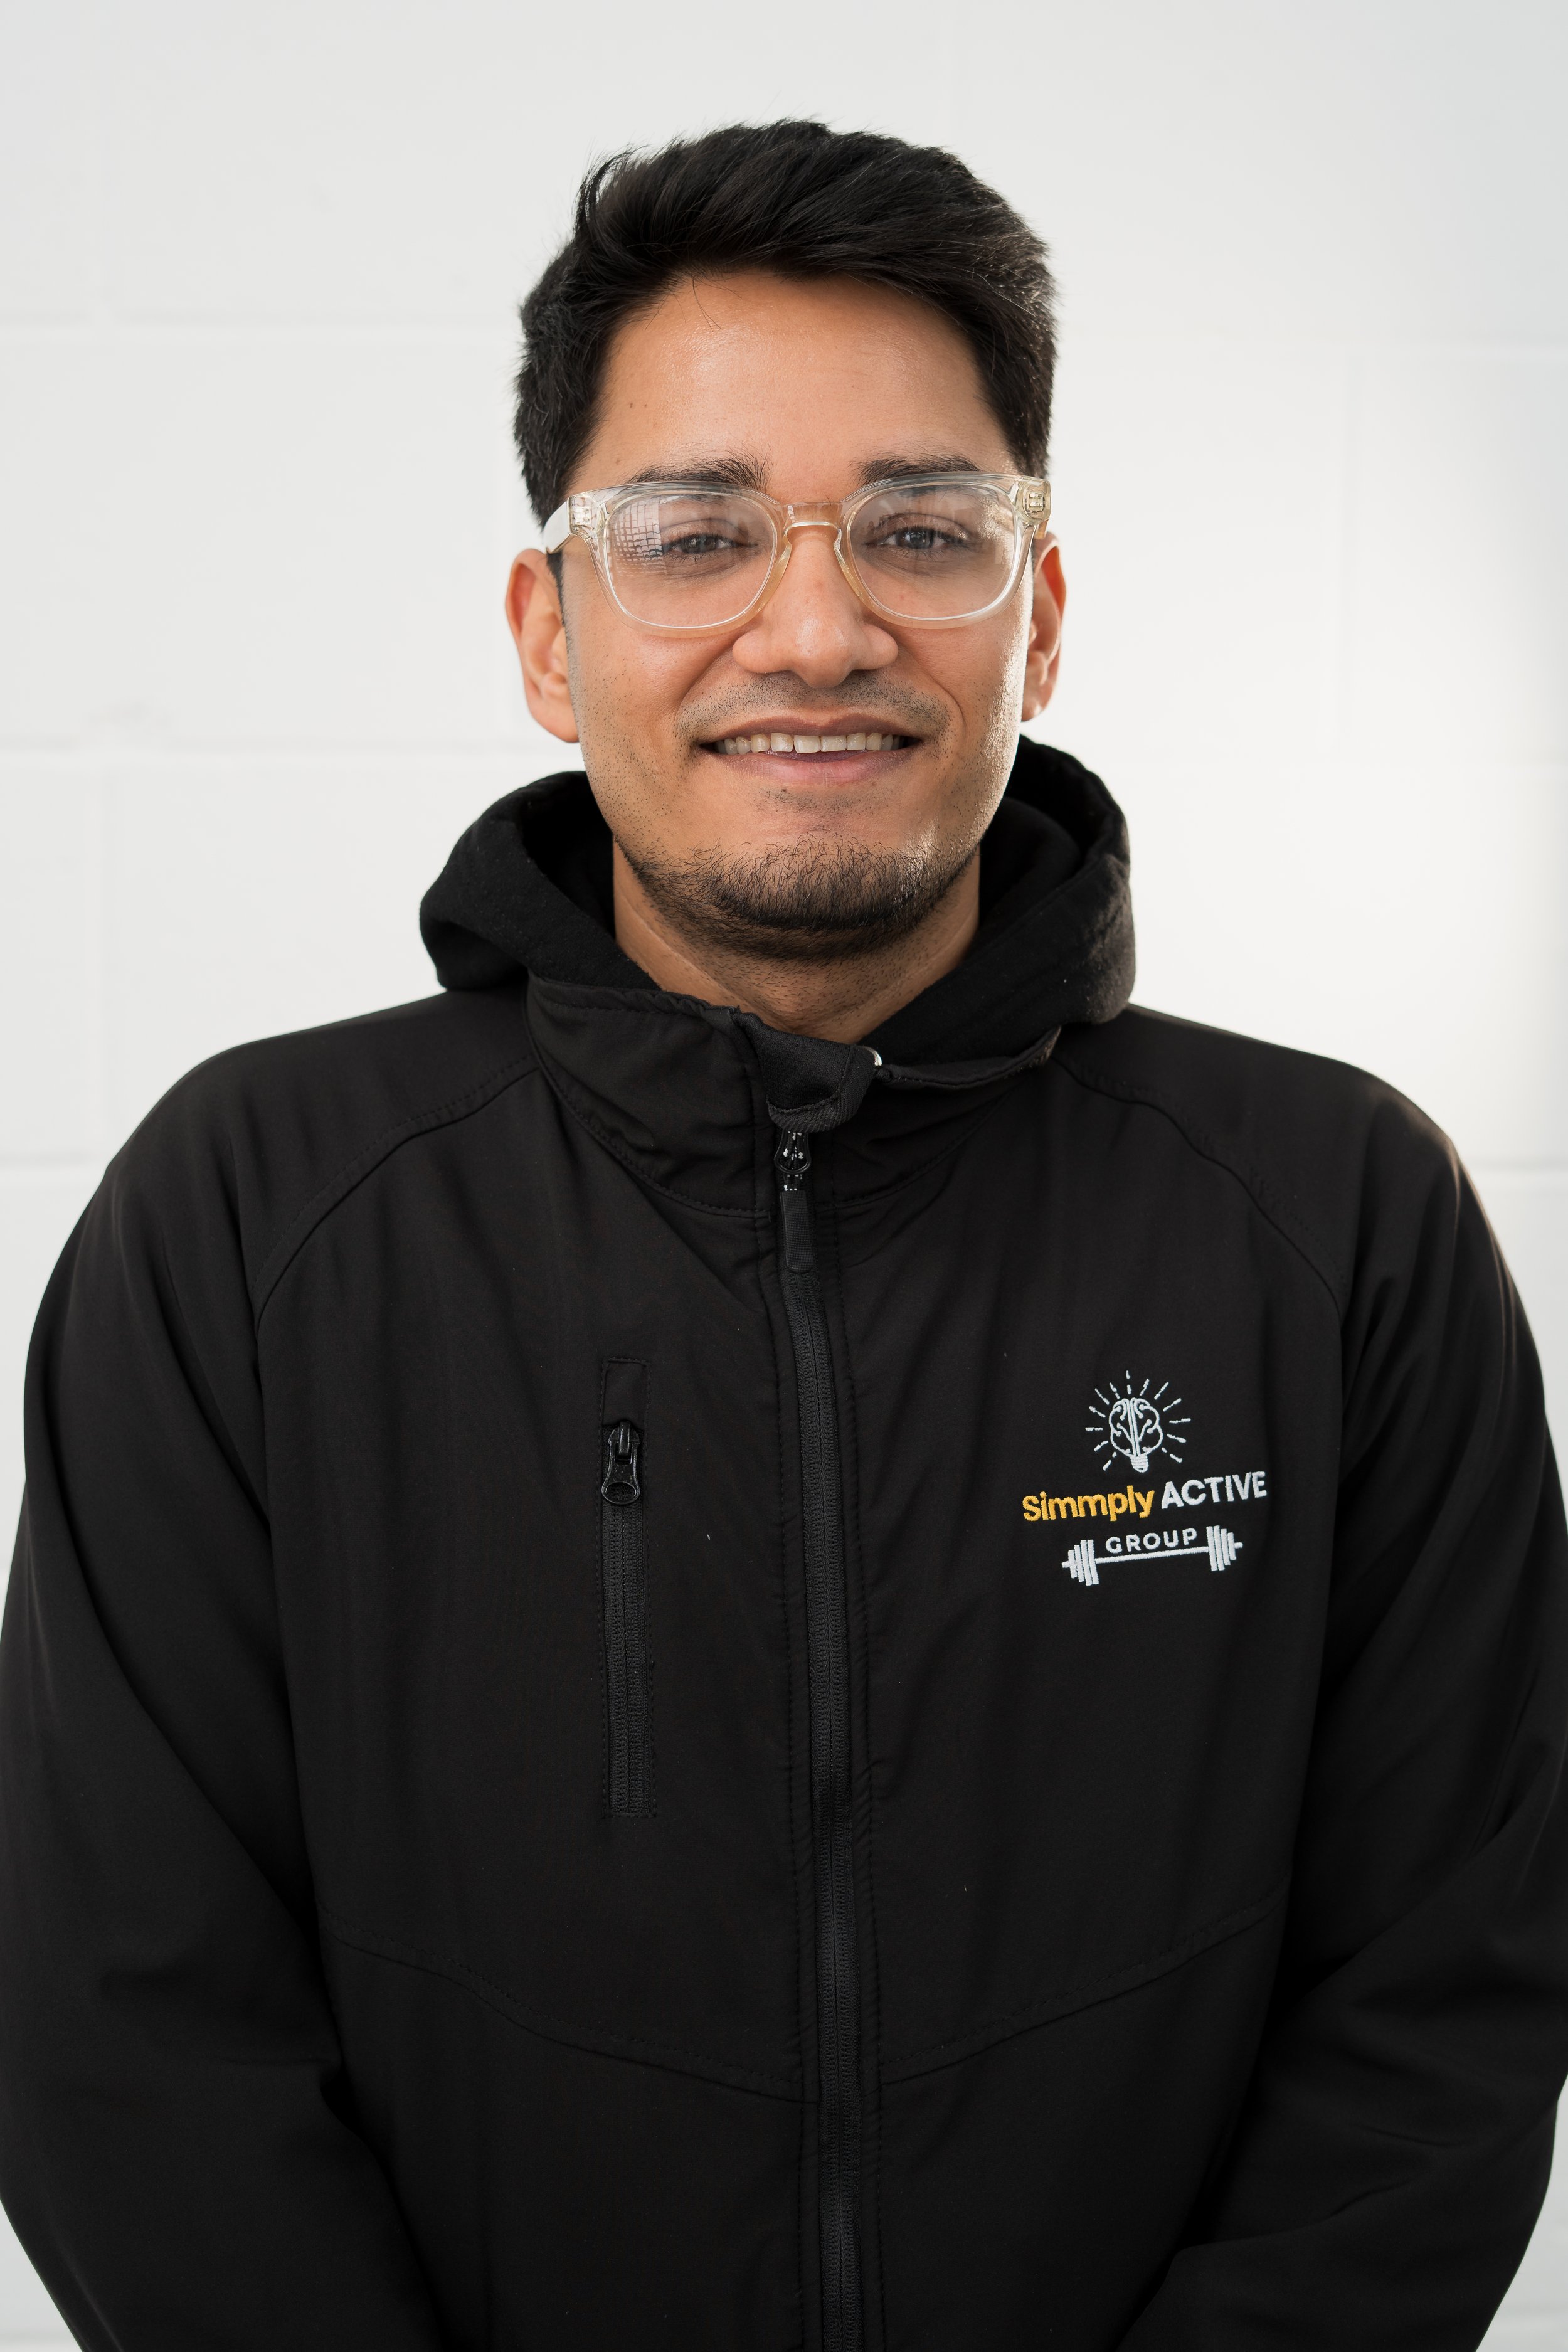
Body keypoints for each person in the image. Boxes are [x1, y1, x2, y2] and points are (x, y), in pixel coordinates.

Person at [1, 118, 1565, 2352]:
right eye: (696, 532)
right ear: (553, 632)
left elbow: (1443, 2001)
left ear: (1035, 608)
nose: (812, 627)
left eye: (923, 530)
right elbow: (125, 2033)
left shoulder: (1334, 1226)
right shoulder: (251, 1217)